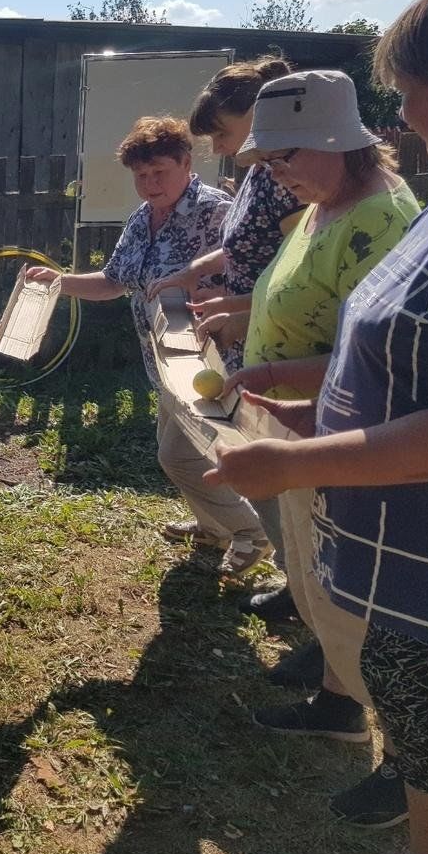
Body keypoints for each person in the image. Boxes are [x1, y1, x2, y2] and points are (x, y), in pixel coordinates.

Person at [209, 0, 428, 854]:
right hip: (424, 582)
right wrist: (313, 406)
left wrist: (297, 464)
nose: (400, 117)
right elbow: (412, 371)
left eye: (407, 93)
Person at [210, 69, 419, 829]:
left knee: (364, 598)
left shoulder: (383, 221)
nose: (277, 174)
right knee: (319, 574)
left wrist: (269, 369)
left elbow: (385, 358)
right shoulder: (323, 207)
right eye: (267, 162)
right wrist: (242, 316)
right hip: (297, 418)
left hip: (348, 434)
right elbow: (298, 297)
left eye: (286, 156)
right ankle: (339, 701)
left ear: (340, 143)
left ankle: (411, 767)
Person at [25, 117, 267, 574]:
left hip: (210, 359)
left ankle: (250, 531)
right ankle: (213, 528)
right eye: (141, 175)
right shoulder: (141, 219)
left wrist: (217, 297)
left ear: (186, 163)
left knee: (178, 455)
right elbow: (114, 281)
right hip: (163, 360)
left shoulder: (216, 211)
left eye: (159, 172)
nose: (150, 183)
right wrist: (60, 282)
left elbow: (257, 274)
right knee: (181, 451)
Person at [146, 58, 306, 613]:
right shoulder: (262, 172)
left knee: (272, 475)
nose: (217, 143)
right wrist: (195, 272)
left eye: (222, 131)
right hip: (243, 341)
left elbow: (296, 273)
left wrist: (243, 305)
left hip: (278, 347)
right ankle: (258, 551)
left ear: (259, 116)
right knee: (210, 454)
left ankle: (299, 588)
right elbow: (243, 246)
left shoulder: (292, 182)